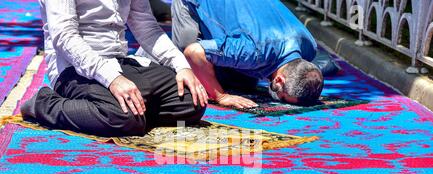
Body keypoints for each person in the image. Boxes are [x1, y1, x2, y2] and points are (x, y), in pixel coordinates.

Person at [21, 0, 208, 137]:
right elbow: (64, 37)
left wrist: (181, 65)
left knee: (193, 101)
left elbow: (146, 26)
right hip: (75, 69)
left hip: (120, 62)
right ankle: (44, 104)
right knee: (123, 118)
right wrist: (112, 79)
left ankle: (119, 110)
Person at [170, 0, 326, 109]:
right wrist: (221, 97)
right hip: (193, 3)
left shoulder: (309, 46)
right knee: (187, 69)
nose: (281, 100)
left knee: (244, 84)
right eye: (283, 98)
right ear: (279, 80)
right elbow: (194, 52)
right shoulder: (253, 52)